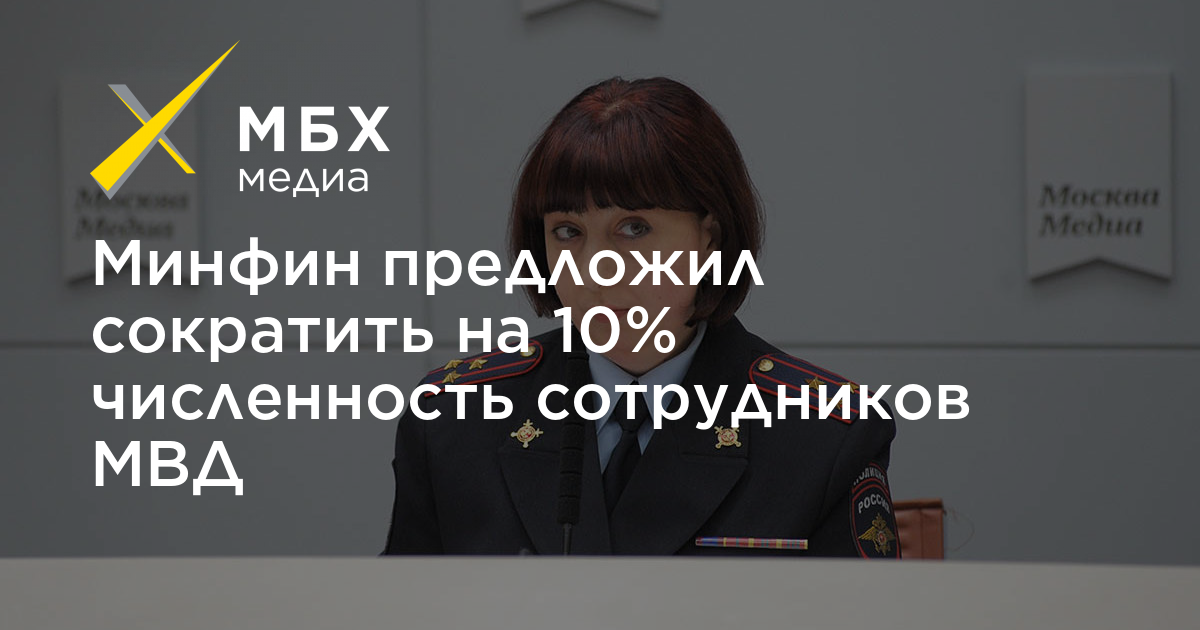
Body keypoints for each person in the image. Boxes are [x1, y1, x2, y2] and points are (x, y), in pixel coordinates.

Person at [383, 77, 899, 557]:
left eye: (634, 229)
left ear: (710, 238)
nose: (595, 268)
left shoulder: (824, 435)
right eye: (567, 232)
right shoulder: (452, 422)